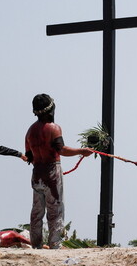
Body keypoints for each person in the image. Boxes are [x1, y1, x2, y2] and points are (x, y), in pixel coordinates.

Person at [24, 93, 92, 249]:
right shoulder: (53, 128)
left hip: (36, 174)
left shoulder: (30, 131)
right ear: (50, 110)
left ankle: (36, 244)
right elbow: (61, 149)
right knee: (55, 209)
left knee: (37, 210)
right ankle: (55, 243)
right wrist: (82, 151)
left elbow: (29, 156)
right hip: (52, 172)